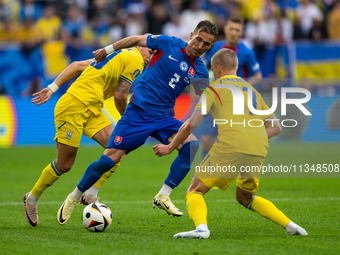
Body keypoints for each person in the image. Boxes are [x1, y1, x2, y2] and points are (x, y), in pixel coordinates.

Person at [56, 20, 218, 225]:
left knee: (191, 146)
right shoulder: (169, 43)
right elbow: (134, 39)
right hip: (138, 113)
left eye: (206, 45)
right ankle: (74, 196)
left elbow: (204, 103)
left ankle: (163, 195)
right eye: (199, 40)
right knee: (109, 160)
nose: (200, 46)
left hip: (164, 118)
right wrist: (106, 50)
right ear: (192, 34)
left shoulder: (201, 71)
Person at [153, 48, 308, 238]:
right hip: (259, 147)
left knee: (195, 189)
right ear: (235, 67)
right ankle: (290, 225)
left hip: (230, 145)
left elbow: (191, 124)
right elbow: (276, 127)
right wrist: (252, 137)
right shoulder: (252, 90)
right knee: (245, 197)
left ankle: (201, 228)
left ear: (217, 69)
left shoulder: (213, 88)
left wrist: (170, 146)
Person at [23, 46, 154, 227]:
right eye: (150, 52)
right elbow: (120, 96)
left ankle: (90, 193)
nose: (150, 57)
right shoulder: (136, 59)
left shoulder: (117, 57)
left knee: (118, 150)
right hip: (73, 106)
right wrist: (128, 121)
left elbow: (77, 65)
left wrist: (52, 88)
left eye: (155, 54)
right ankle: (32, 198)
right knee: (65, 164)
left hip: (93, 109)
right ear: (139, 46)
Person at [197, 16, 262, 158]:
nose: (234, 32)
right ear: (225, 29)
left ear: (241, 32)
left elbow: (257, 75)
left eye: (237, 30)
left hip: (235, 104)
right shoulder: (215, 47)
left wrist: (243, 87)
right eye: (231, 28)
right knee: (206, 140)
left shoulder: (247, 52)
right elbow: (206, 67)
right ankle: (206, 173)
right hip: (215, 99)